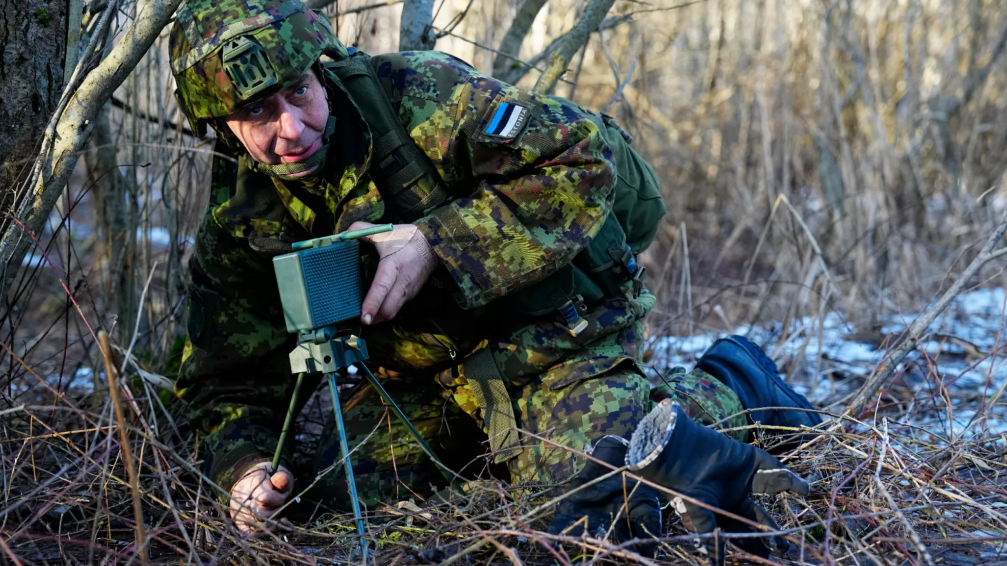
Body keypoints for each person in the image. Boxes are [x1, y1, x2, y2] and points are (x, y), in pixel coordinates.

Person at [169, 0, 822, 558]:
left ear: (320, 70)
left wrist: (437, 243)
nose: (292, 127)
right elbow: (226, 375)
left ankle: (730, 382)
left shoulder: (420, 98)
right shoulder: (241, 220)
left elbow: (580, 161)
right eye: (259, 113)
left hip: (547, 337)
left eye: (299, 93)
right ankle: (511, 455)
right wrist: (244, 467)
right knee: (336, 524)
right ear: (223, 127)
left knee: (601, 499)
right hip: (422, 383)